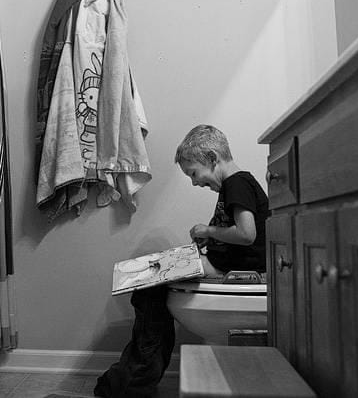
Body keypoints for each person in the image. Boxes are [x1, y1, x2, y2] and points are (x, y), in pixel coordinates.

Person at [94, 124, 269, 398]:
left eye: (194, 173)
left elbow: (247, 234)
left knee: (149, 287)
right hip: (227, 264)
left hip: (236, 269)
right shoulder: (235, 185)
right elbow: (239, 234)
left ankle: (132, 383)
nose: (195, 182)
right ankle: (132, 379)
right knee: (149, 282)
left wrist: (208, 231)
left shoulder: (237, 183)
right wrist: (211, 240)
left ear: (212, 158)